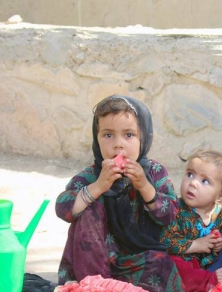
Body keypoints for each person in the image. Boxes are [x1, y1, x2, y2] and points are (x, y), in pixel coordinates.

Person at [55, 94, 183, 292]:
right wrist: (98, 187)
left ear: (144, 137)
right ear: (97, 139)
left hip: (137, 260)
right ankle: (96, 287)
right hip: (94, 264)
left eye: (129, 135)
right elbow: (63, 209)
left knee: (162, 265)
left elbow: (171, 216)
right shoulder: (92, 176)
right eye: (108, 135)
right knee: (90, 208)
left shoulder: (154, 173)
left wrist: (144, 186)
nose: (118, 144)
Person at [159, 149, 222, 291]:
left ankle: (208, 280)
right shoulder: (176, 209)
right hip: (180, 260)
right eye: (190, 174)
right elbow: (165, 241)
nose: (193, 183)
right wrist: (195, 245)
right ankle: (209, 281)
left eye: (205, 181)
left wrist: (219, 243)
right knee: (174, 265)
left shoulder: (219, 214)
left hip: (203, 263)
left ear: (220, 197)